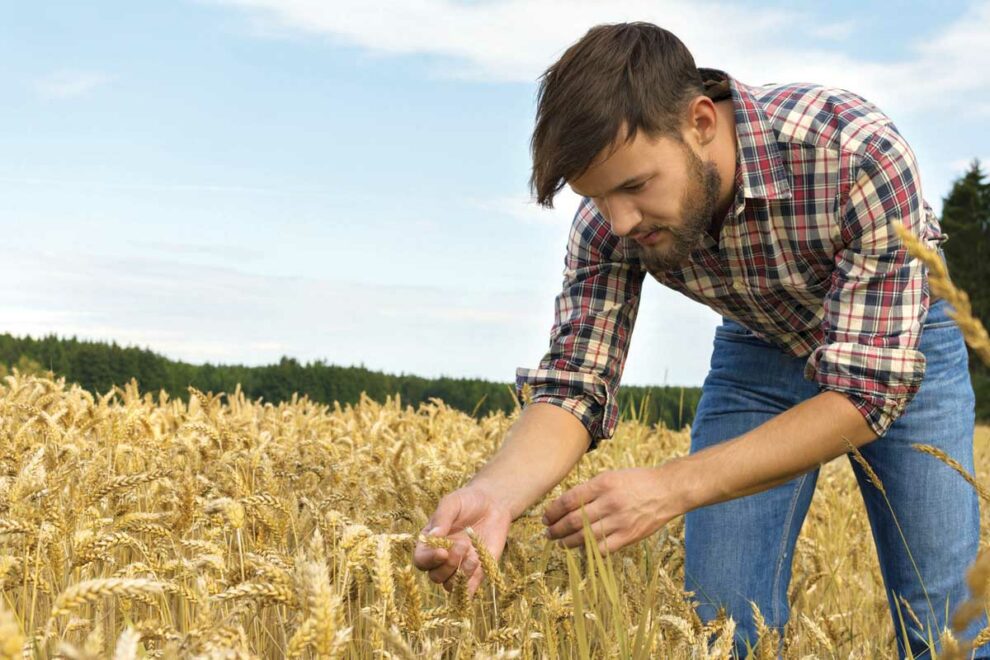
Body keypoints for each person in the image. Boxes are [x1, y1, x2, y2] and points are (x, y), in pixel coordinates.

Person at [411, 21, 987, 659]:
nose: (620, 221)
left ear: (701, 122)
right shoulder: (610, 222)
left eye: (635, 186)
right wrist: (494, 496)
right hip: (759, 346)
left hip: (900, 349)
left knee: (946, 616)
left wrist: (672, 486)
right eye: (598, 197)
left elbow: (863, 393)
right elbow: (576, 384)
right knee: (720, 623)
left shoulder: (854, 152)